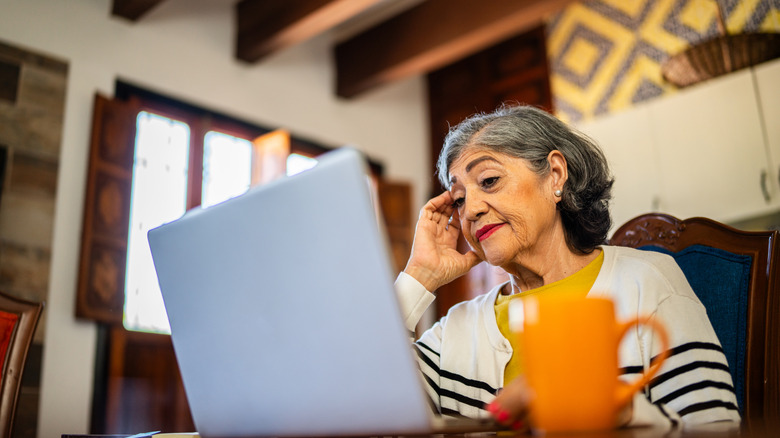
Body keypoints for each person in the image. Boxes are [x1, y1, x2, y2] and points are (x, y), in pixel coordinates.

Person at [394, 103, 741, 430]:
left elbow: (717, 429)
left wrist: (622, 411)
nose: (470, 210)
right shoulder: (455, 329)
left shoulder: (646, 283)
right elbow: (355, 410)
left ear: (555, 175)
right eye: (458, 198)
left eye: (488, 181)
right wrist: (419, 275)